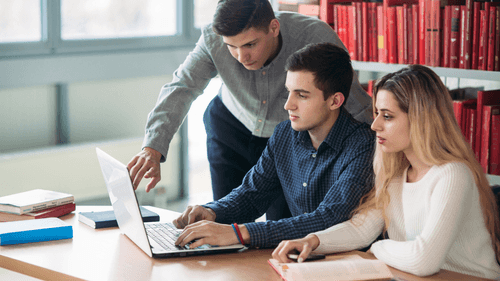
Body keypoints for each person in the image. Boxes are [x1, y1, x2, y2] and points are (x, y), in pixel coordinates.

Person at [126, 0, 373, 221]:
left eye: (250, 44)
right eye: (231, 47)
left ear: (273, 28)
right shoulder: (213, 39)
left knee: (280, 224)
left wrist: (378, 152)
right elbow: (182, 86)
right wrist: (153, 147)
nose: (241, 56)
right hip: (230, 127)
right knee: (222, 216)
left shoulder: (314, 37)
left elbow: (350, 99)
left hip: (286, 138)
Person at [271, 65, 500, 280]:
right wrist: (312, 241)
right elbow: (362, 229)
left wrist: (378, 247)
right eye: (377, 113)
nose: (375, 125)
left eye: (387, 116)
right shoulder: (397, 173)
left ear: (421, 120)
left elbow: (423, 261)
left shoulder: (452, 174)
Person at [172, 42, 375, 250]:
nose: (288, 105)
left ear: (335, 101)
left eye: (302, 95)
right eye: (289, 92)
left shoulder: (364, 145)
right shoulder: (284, 134)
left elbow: (328, 219)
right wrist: (212, 212)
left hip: (347, 263)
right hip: (298, 259)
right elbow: (252, 194)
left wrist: (239, 233)